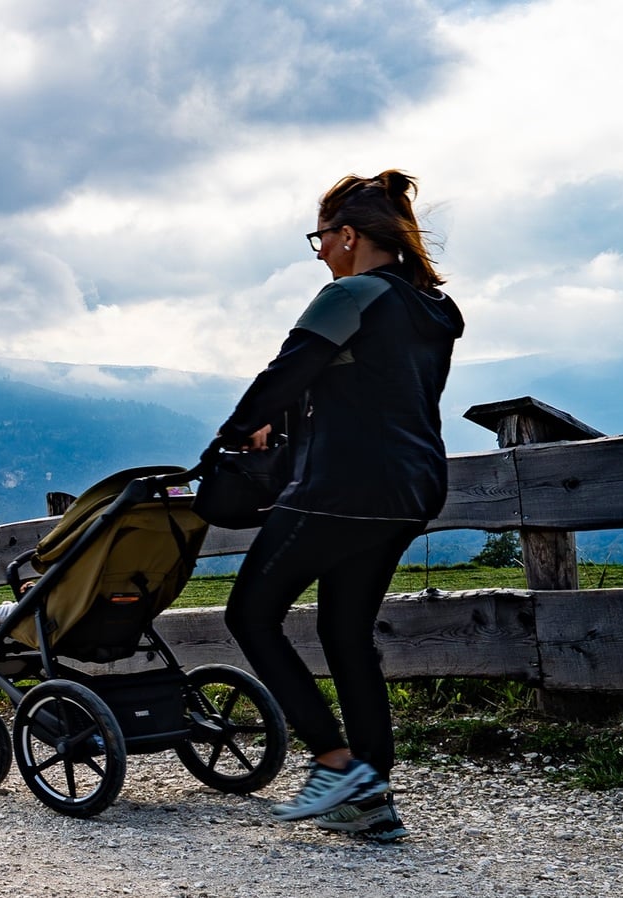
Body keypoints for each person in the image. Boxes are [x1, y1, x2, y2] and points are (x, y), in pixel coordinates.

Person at [217, 170, 463, 843]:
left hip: (342, 488)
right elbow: (370, 385)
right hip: (411, 489)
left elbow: (285, 371)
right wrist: (287, 416)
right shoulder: (429, 309)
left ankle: (334, 760)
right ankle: (372, 793)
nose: (320, 251)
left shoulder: (348, 293)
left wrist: (230, 437)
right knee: (345, 632)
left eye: (321, 238)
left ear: (348, 236)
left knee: (251, 614)